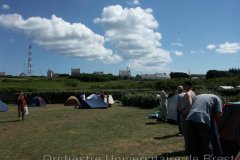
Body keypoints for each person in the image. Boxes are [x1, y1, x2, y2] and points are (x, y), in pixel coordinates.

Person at [186, 94, 223, 159]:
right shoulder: (218, 99)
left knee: (193, 141)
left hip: (189, 118)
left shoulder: (198, 96)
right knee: (206, 142)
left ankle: (194, 157)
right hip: (202, 119)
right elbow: (219, 114)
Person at [181, 81, 196, 153]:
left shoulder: (188, 93)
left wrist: (184, 112)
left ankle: (188, 149)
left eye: (184, 85)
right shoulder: (193, 93)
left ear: (188, 86)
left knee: (186, 133)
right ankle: (192, 148)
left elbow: (190, 104)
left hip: (187, 115)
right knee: (191, 133)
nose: (182, 86)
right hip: (192, 115)